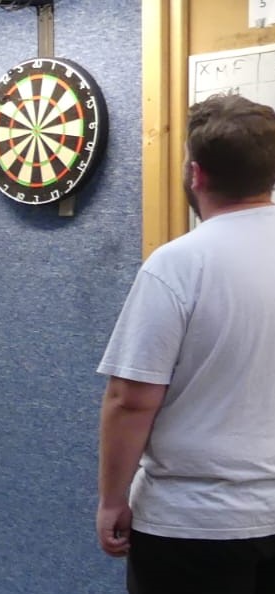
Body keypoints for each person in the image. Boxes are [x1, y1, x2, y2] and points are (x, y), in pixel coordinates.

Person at [96, 93, 275, 593]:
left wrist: (112, 500)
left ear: (195, 174)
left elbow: (131, 400)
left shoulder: (177, 265)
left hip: (191, 527)